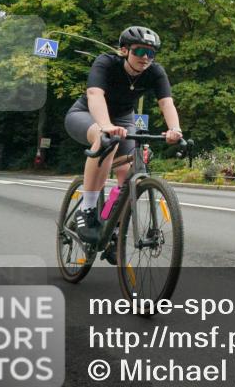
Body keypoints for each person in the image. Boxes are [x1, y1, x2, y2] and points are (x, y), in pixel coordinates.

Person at [64, 26, 183, 245]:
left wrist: (175, 129)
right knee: (106, 140)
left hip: (124, 120)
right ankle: (87, 209)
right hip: (86, 114)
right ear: (124, 50)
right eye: (139, 51)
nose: (145, 57)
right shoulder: (106, 62)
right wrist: (105, 125)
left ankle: (112, 225)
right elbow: (94, 94)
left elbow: (166, 103)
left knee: (126, 175)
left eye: (151, 53)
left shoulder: (155, 72)